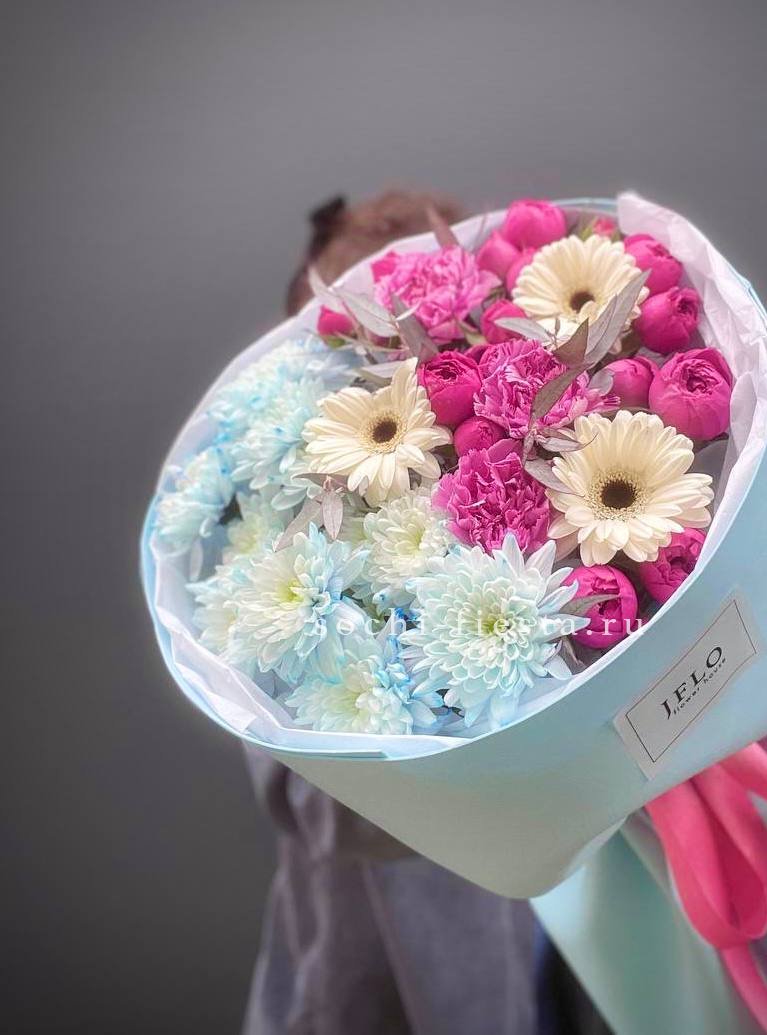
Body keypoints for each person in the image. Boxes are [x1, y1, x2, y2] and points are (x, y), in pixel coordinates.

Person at [242, 190, 608, 1035]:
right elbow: (316, 809)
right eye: (347, 365)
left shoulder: (542, 501)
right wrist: (473, 731)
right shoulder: (280, 565)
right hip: (377, 985)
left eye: (432, 354)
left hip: (582, 953)